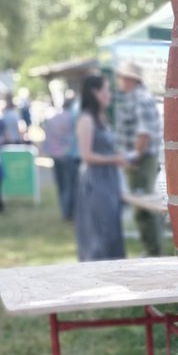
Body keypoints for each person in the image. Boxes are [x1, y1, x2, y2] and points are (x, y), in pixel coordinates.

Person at [74, 73, 127, 261]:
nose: (109, 94)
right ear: (95, 93)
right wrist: (114, 159)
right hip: (95, 182)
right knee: (99, 231)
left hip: (109, 180)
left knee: (112, 228)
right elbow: (86, 156)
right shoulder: (86, 120)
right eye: (106, 90)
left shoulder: (102, 118)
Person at [115, 60, 163, 255]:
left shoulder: (140, 99)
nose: (120, 81)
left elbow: (144, 133)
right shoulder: (135, 97)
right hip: (140, 159)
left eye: (122, 77)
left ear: (130, 79)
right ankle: (150, 248)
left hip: (141, 161)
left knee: (145, 207)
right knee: (142, 206)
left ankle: (152, 250)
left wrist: (135, 157)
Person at [42, 95, 80, 221]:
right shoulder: (73, 118)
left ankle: (64, 210)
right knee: (70, 185)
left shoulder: (53, 118)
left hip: (55, 155)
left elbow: (47, 137)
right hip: (69, 155)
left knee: (61, 184)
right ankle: (69, 212)